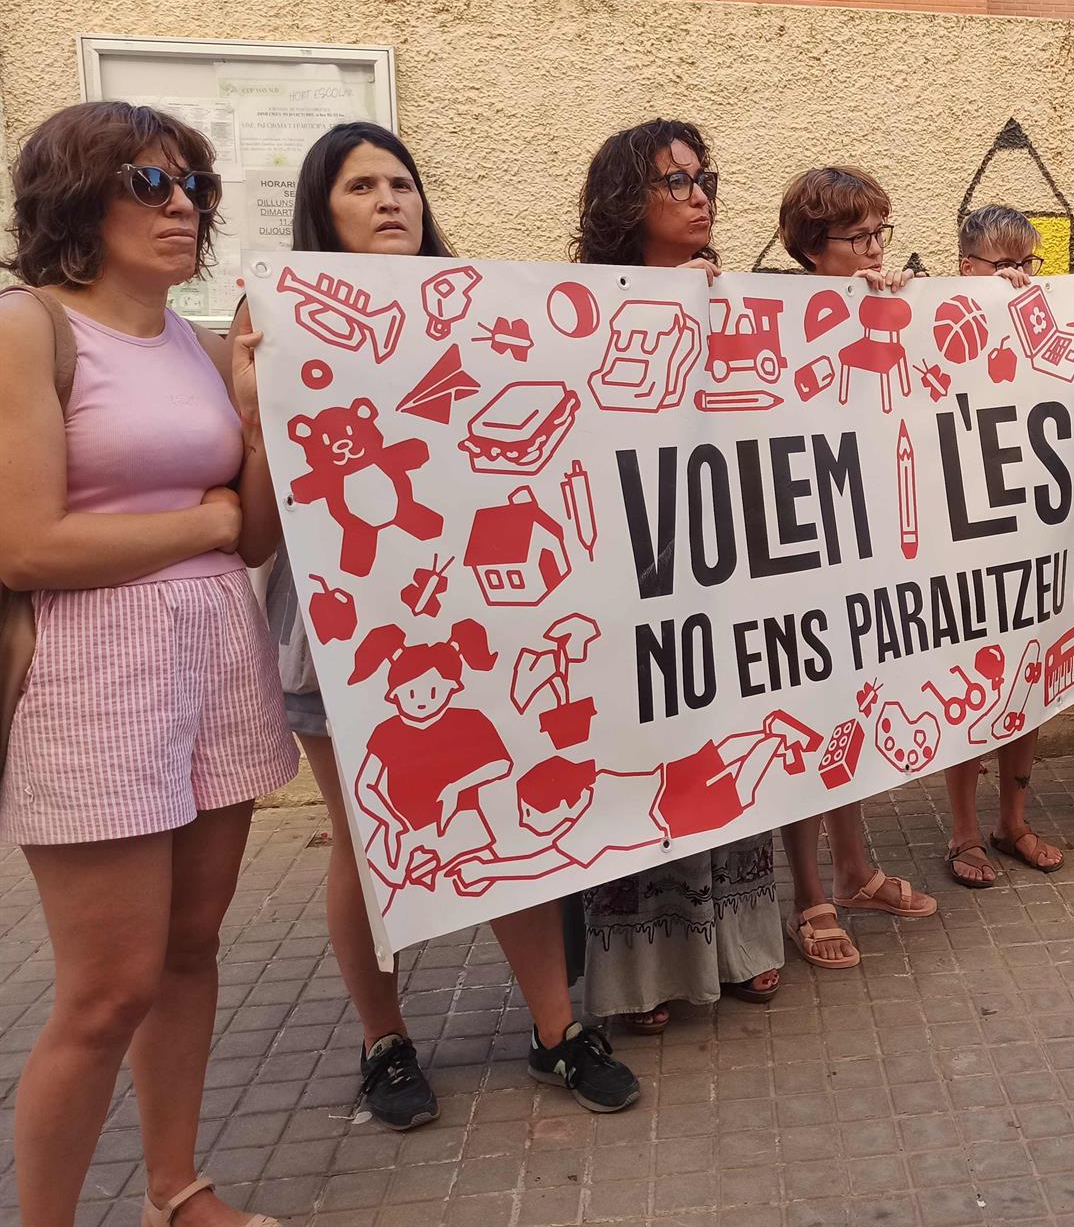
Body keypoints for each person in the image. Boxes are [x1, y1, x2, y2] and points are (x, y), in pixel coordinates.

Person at [244, 122, 639, 1126]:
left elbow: (575, 370)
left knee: (500, 805)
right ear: (320, 208)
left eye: (402, 182)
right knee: (364, 839)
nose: (389, 200)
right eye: (361, 185)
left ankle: (556, 1028)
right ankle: (384, 1040)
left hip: (475, 616)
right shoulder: (272, 314)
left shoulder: (471, 300)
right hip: (338, 630)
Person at [0, 102, 300, 1227]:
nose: (183, 205)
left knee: (188, 949)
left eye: (195, 186)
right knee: (104, 991)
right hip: (94, 671)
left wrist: (258, 427)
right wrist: (205, 523)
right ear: (76, 197)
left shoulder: (198, 343)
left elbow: (255, 536)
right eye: (149, 181)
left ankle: (175, 1187)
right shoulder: (28, 329)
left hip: (212, 654)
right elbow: (26, 546)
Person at [570, 118, 785, 1028]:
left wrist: (875, 295)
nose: (699, 197)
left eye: (705, 181)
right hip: (629, 579)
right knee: (640, 766)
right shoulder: (582, 308)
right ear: (628, 200)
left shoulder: (733, 297)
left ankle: (742, 946)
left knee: (721, 752)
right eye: (675, 182)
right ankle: (640, 976)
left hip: (721, 575)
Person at [776, 165, 939, 965]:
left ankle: (853, 869)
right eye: (858, 237)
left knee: (850, 714)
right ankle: (810, 894)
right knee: (805, 717)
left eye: (881, 231)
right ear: (813, 247)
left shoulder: (882, 305)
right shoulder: (774, 314)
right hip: (799, 553)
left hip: (864, 546)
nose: (876, 249)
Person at [940, 206, 1066, 887]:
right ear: (968, 269)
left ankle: (1012, 821)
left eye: (1029, 262)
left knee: (1029, 679)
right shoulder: (934, 322)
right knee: (970, 686)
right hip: (963, 538)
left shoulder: (1046, 322)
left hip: (1033, 530)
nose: (1021, 276)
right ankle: (963, 831)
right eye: (1005, 264)